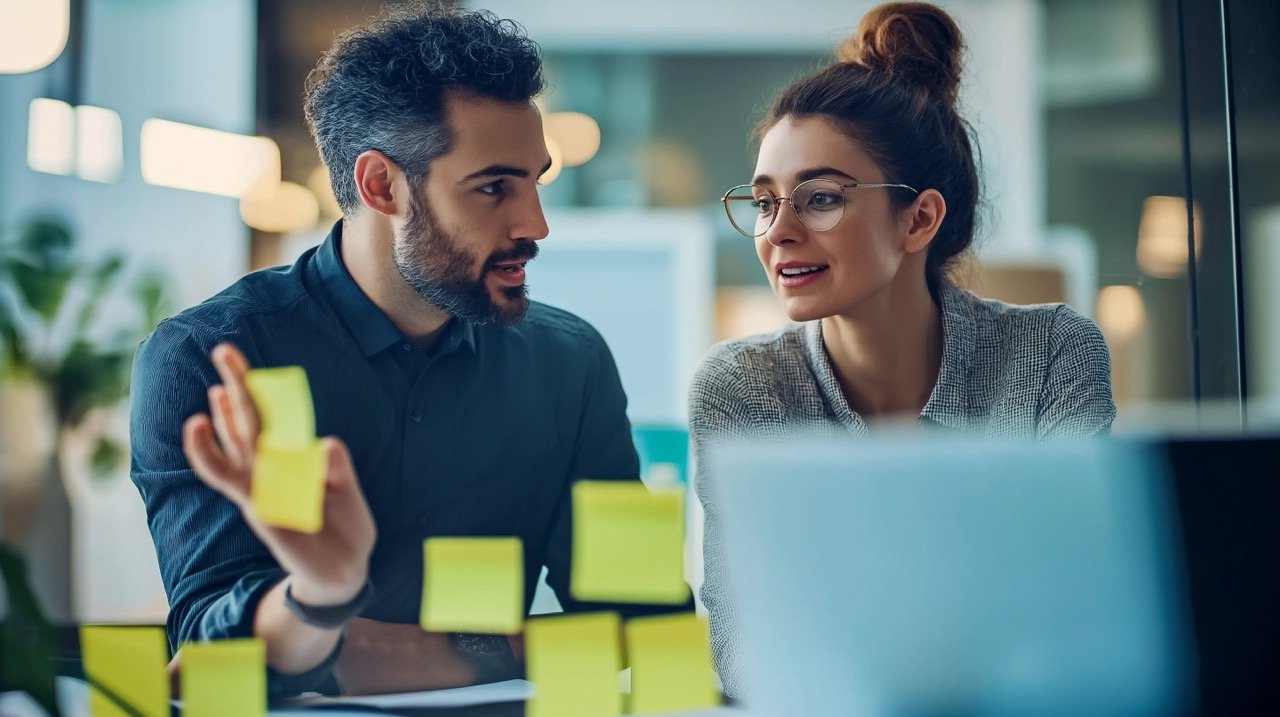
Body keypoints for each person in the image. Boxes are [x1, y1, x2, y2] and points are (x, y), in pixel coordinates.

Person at [130, 6, 683, 698]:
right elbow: (214, 657)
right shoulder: (213, 357)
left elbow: (649, 621)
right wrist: (325, 592)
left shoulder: (570, 361)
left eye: (535, 182)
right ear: (380, 185)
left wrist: (382, 647)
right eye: (493, 188)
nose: (535, 224)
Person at [688, 1, 1116, 698]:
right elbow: (745, 646)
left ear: (919, 218)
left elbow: (1080, 602)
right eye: (765, 203)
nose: (778, 232)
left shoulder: (1051, 353)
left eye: (819, 198)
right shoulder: (740, 386)